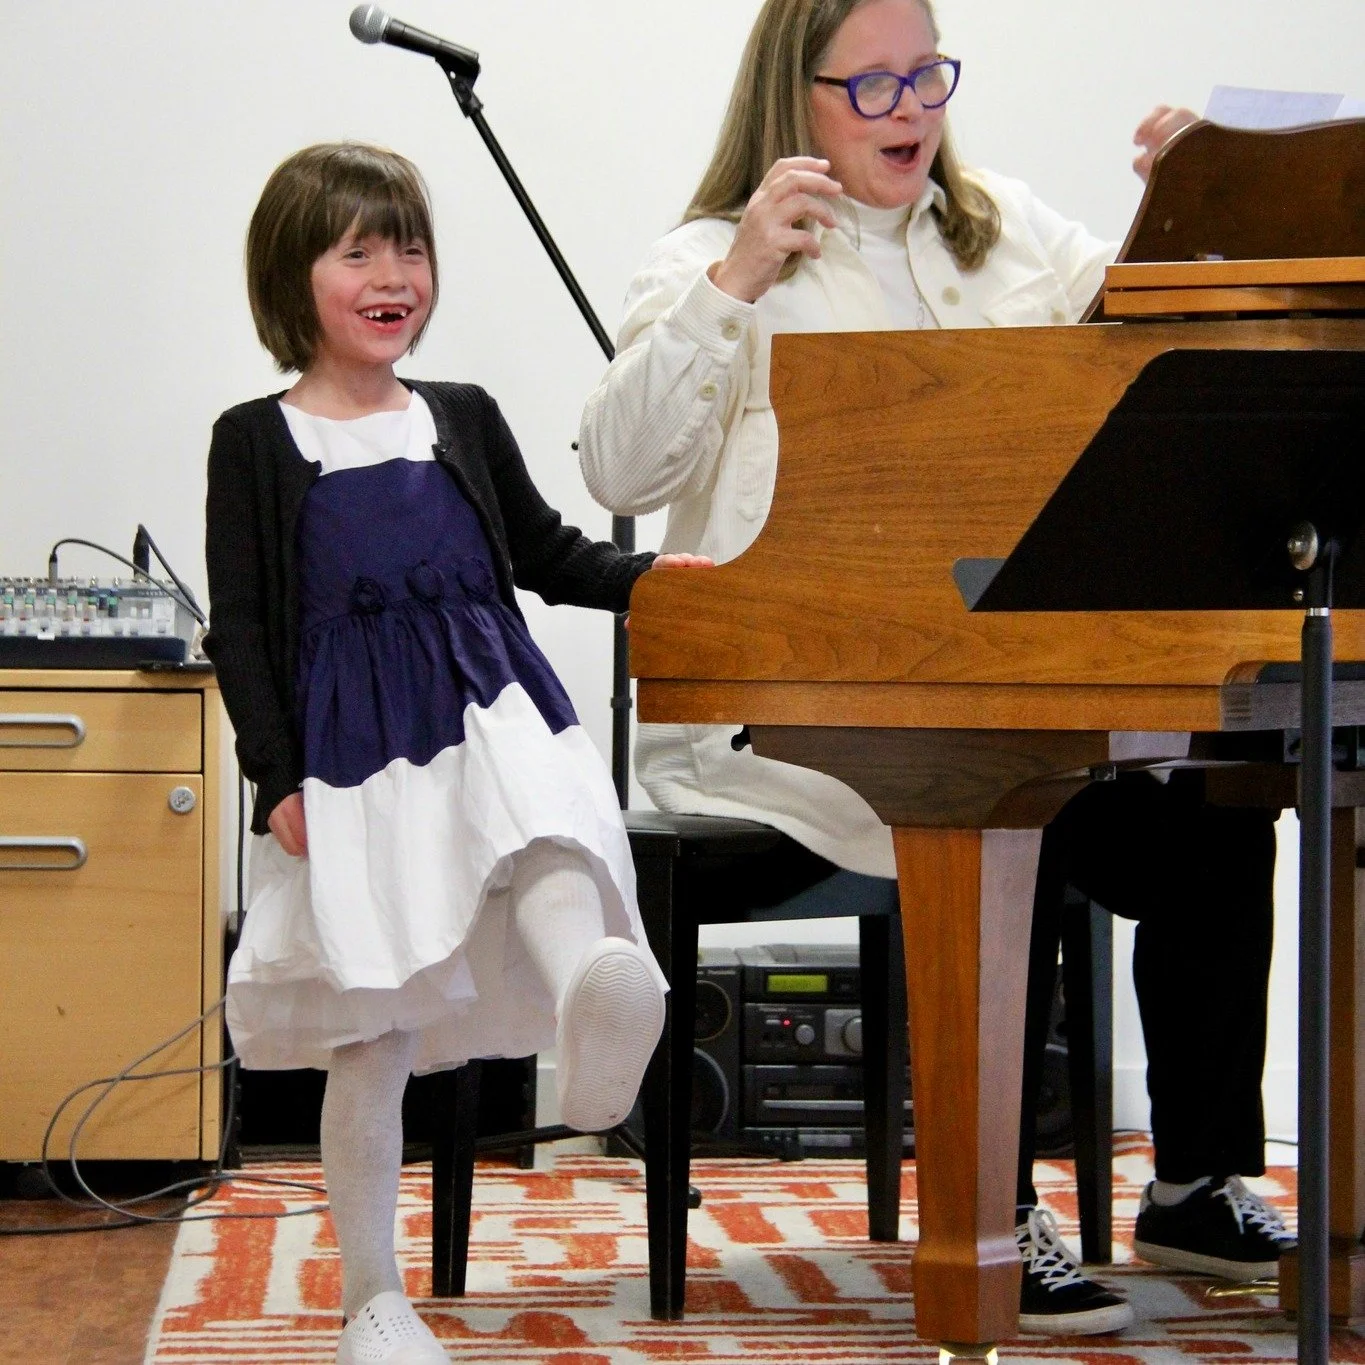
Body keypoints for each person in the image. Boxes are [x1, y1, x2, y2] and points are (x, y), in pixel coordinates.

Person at [577, 0, 1293, 1337]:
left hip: (1012, 686)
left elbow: (1136, 341)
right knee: (994, 801)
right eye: (875, 85)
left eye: (928, 76)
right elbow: (620, 468)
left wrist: (1188, 210)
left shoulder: (1004, 227)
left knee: (1221, 804)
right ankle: (989, 1207)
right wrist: (732, 285)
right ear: (798, 97)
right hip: (792, 714)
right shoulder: (706, 258)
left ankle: (1197, 1179)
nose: (912, 108)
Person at [203, 142, 707, 1365]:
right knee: (369, 1022)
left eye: (411, 248)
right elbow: (246, 624)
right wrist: (277, 779)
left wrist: (654, 581)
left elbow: (546, 551)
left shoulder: (461, 419)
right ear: (294, 277)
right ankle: (372, 1296)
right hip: (355, 756)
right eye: (358, 251)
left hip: (490, 710)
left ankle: (599, 999)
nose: (394, 275)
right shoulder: (255, 440)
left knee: (550, 837)